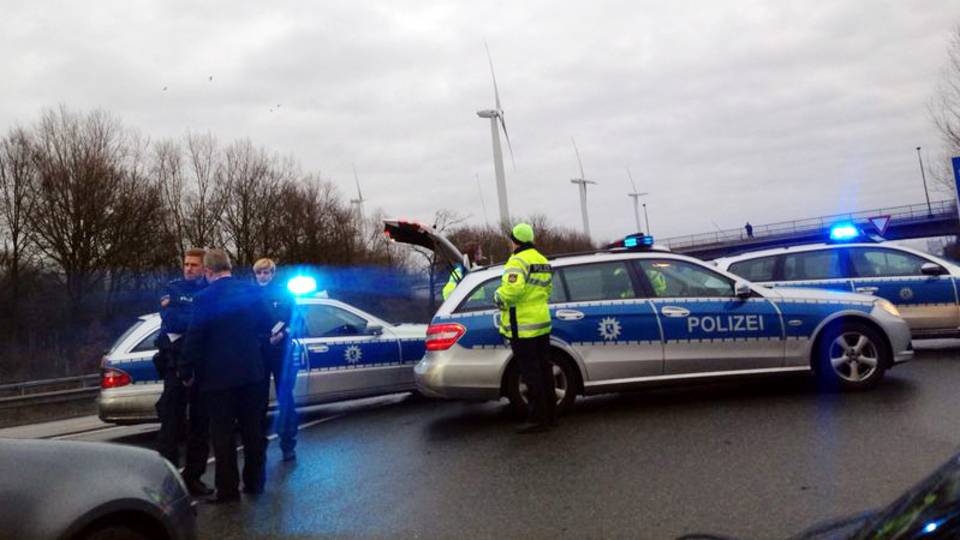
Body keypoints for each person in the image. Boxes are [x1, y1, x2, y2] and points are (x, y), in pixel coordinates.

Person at [180, 249, 273, 503]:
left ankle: (228, 490)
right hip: (252, 373)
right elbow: (267, 324)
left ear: (208, 271)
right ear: (229, 266)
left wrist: (186, 370)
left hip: (217, 378)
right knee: (253, 430)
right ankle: (255, 483)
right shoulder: (252, 292)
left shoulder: (203, 298)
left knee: (223, 435)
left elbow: (195, 337)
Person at [155, 248, 211, 496]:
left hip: (202, 364)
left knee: (200, 424)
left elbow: (209, 323)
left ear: (204, 268)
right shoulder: (172, 288)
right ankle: (170, 480)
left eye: (194, 265)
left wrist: (192, 319)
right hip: (174, 364)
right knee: (171, 424)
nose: (189, 268)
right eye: (186, 264)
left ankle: (194, 477)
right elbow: (172, 320)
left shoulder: (209, 290)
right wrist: (196, 321)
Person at [494, 223, 556, 434]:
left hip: (523, 325)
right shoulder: (542, 260)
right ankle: (551, 415)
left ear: (515, 240)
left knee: (531, 373)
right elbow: (548, 290)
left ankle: (538, 418)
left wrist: (498, 297)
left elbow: (512, 290)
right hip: (541, 321)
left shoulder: (517, 260)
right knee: (545, 369)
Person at [253, 257, 298, 462]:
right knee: (257, 402)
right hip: (259, 352)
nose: (263, 276)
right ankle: (258, 446)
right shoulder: (249, 294)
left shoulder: (285, 293)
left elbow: (297, 321)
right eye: (259, 273)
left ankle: (288, 444)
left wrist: (284, 333)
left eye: (266, 272)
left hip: (281, 352)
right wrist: (261, 338)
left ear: (272, 274)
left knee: (285, 399)